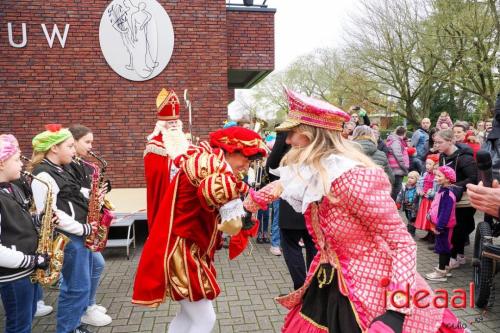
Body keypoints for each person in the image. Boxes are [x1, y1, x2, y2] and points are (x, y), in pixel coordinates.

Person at [243, 89, 466, 333]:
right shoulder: (312, 169)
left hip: (372, 290)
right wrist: (248, 206)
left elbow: (402, 244)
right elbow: (281, 184)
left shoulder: (354, 178)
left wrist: (396, 311)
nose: (287, 141)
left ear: (311, 136)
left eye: (292, 134)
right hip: (326, 280)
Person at [132, 126, 267, 333]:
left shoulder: (207, 161)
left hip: (187, 247)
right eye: (247, 158)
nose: (247, 166)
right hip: (183, 251)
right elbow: (232, 226)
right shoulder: (213, 169)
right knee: (205, 319)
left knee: (187, 316)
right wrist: (250, 207)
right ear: (231, 151)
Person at [30, 124, 96, 333]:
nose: (73, 150)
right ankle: (67, 329)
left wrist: (94, 195)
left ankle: (74, 325)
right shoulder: (43, 176)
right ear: (54, 149)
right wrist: (82, 228)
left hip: (77, 235)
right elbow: (52, 215)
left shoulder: (62, 168)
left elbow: (73, 194)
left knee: (80, 287)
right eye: (69, 146)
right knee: (75, 288)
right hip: (69, 238)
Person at [0, 134, 49, 333]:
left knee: (26, 320)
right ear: (2, 163)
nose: (21, 163)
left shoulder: (12, 188)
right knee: (19, 326)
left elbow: (16, 223)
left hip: (24, 271)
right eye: (17, 159)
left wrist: (40, 220)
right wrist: (32, 261)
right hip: (13, 276)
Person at [68, 125, 113, 327]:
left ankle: (89, 305)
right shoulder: (68, 165)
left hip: (85, 222)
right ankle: (85, 308)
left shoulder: (84, 164)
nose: (91, 146)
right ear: (74, 141)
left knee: (95, 264)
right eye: (87, 142)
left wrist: (102, 189)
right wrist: (91, 194)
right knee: (92, 267)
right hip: (76, 226)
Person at [265, 130, 317, 287]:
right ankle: (312, 288)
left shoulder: (290, 153)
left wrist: (281, 134)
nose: (288, 141)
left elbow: (271, 166)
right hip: (312, 208)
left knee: (292, 247)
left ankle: (302, 288)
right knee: (312, 247)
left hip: (294, 208)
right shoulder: (321, 152)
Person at [144, 88, 189, 231]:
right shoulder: (154, 146)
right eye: (171, 123)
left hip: (185, 198)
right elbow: (155, 175)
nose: (175, 125)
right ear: (163, 125)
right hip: (166, 196)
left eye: (176, 122)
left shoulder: (185, 142)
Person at [434, 129, 477, 270]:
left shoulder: (465, 158)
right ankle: (457, 255)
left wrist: (452, 186)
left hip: (464, 201)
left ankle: (454, 257)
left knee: (460, 228)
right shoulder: (442, 157)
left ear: (451, 141)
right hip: (450, 198)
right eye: (436, 142)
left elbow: (473, 178)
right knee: (453, 228)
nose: (437, 145)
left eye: (440, 142)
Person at [425, 166, 458, 282]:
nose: (436, 178)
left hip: (444, 227)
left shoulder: (448, 194)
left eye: (439, 176)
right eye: (436, 175)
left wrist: (440, 226)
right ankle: (446, 268)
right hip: (441, 225)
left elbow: (445, 212)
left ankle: (441, 272)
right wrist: (430, 214)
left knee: (443, 248)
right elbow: (436, 205)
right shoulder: (442, 191)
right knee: (444, 246)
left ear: (448, 179)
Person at [415, 154, 440, 242]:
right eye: (426, 164)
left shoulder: (437, 176)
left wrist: (431, 193)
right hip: (425, 199)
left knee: (432, 218)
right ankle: (429, 234)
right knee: (426, 217)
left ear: (435, 165)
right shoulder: (425, 174)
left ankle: (433, 236)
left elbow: (438, 189)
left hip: (432, 200)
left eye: (430, 164)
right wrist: (419, 190)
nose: (427, 166)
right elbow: (419, 183)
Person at [386, 126, 410, 200]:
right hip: (397, 168)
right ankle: (391, 204)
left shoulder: (393, 140)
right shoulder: (396, 141)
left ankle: (390, 204)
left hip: (394, 167)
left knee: (394, 187)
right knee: (396, 187)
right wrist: (404, 167)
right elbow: (398, 155)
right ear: (404, 133)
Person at [396, 171, 420, 236]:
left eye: (412, 178)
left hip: (414, 207)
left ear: (417, 179)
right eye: (409, 177)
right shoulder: (405, 187)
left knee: (412, 219)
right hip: (406, 206)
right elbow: (400, 195)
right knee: (408, 217)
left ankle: (411, 232)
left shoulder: (418, 188)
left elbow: (419, 196)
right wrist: (398, 203)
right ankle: (409, 228)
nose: (409, 179)